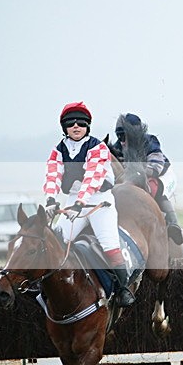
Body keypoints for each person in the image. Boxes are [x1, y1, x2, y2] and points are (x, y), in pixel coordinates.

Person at [43, 102, 135, 307]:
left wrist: (80, 203)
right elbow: (53, 176)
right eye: (71, 123)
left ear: (87, 126)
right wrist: (50, 200)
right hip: (74, 201)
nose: (76, 126)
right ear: (64, 127)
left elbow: (92, 178)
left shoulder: (98, 147)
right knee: (57, 242)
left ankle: (123, 290)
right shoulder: (58, 150)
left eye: (81, 123)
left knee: (109, 244)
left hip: (99, 202)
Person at [109, 113, 183, 245]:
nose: (122, 140)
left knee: (154, 188)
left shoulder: (150, 141)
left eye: (124, 135)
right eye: (119, 135)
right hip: (138, 176)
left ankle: (173, 225)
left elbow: (156, 166)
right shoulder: (118, 147)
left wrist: (139, 171)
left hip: (162, 175)